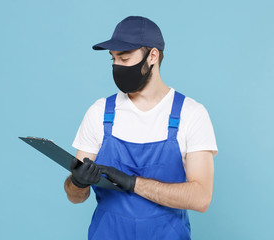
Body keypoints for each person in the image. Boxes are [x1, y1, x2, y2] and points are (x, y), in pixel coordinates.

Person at [64, 16, 218, 240]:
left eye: (124, 58)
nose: (117, 66)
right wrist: (77, 183)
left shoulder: (191, 114)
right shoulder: (99, 113)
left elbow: (201, 198)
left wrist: (131, 182)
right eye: (113, 59)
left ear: (153, 56)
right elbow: (75, 197)